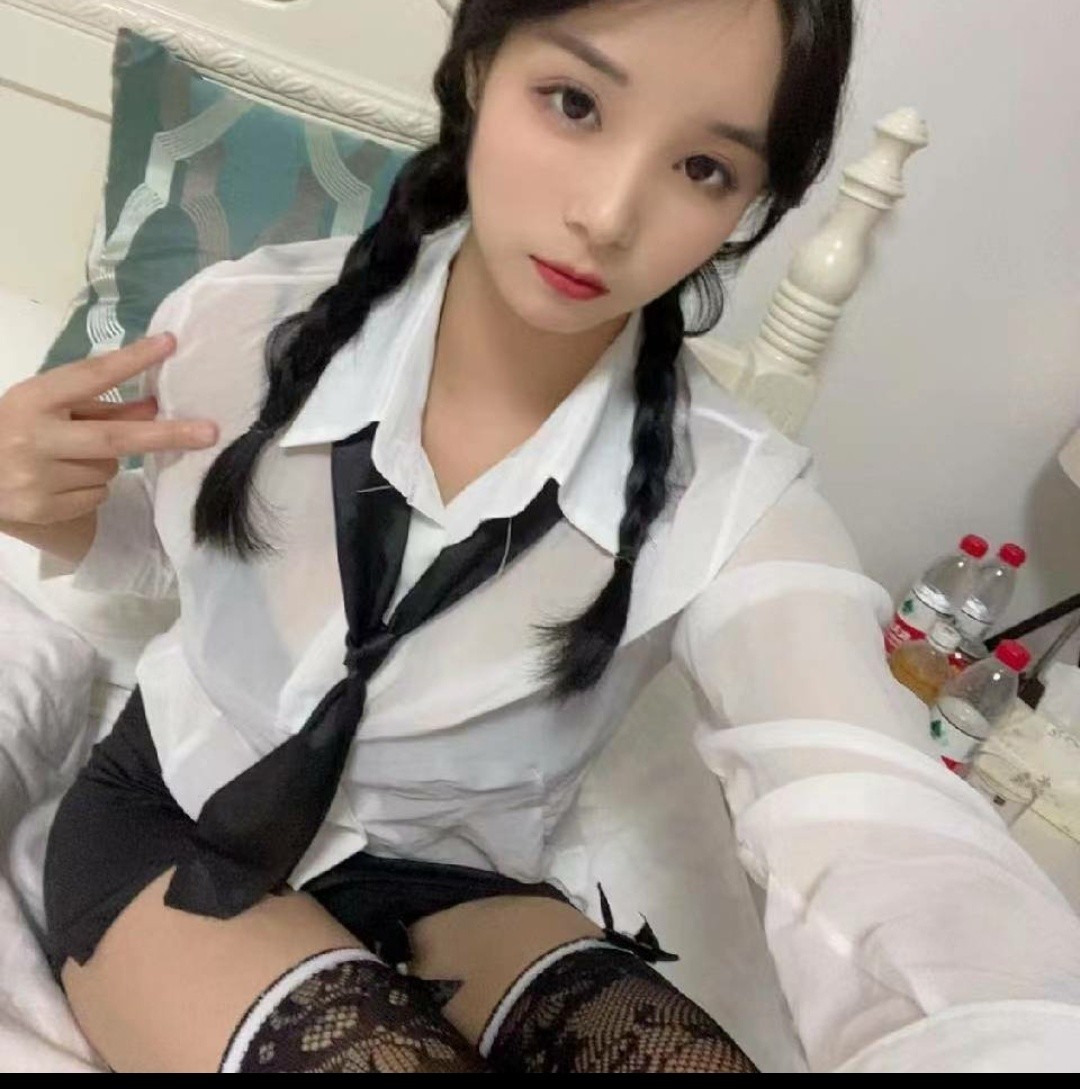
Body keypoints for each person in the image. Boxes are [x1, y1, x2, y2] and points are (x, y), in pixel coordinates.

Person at [1, 0, 1077, 1074]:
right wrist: (48, 511)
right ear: (478, 68)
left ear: (750, 207)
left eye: (703, 168)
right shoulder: (241, 323)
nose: (608, 215)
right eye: (574, 103)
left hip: (455, 878)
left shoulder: (733, 495)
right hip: (181, 810)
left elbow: (863, 796)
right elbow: (184, 553)